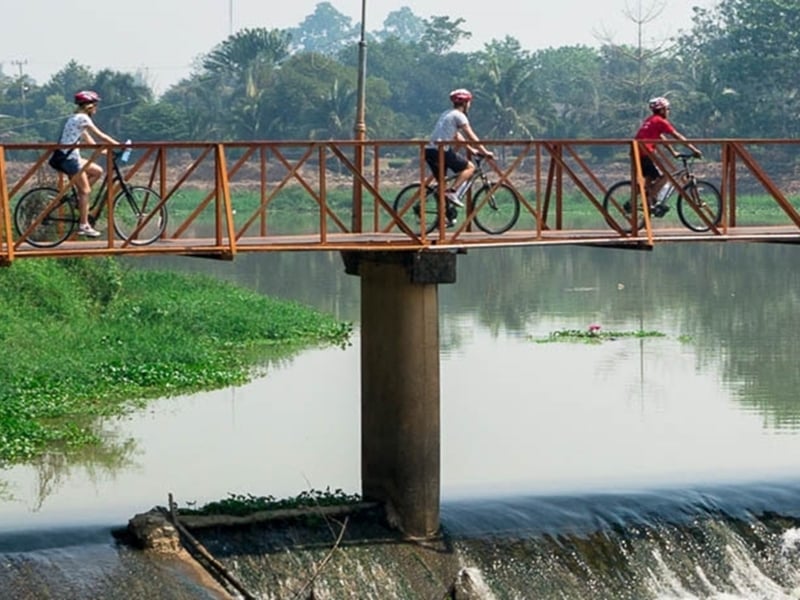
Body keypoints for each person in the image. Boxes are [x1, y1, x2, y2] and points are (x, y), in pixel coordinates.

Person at [48, 90, 121, 237]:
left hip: (67, 156)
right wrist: (119, 145)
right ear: (89, 106)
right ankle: (83, 225)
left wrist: (104, 152)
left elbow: (89, 140)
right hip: (69, 159)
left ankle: (78, 199)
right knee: (86, 191)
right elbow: (100, 135)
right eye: (95, 105)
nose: (96, 108)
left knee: (97, 171)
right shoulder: (82, 118)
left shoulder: (75, 118)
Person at [425, 88, 494, 211]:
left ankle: (444, 217)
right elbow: (471, 135)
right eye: (470, 103)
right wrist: (485, 151)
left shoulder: (447, 113)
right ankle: (453, 191)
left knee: (442, 185)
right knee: (470, 168)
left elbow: (457, 136)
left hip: (430, 151)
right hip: (441, 150)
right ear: (465, 103)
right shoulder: (459, 116)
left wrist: (471, 150)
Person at [634, 96, 703, 205]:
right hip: (644, 152)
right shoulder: (660, 121)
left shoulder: (651, 120)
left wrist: (673, 152)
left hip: (638, 151)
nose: (668, 111)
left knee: (650, 177)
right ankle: (648, 199)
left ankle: (648, 201)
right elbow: (677, 136)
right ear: (662, 110)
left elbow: (661, 137)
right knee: (665, 177)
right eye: (667, 109)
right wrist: (694, 149)